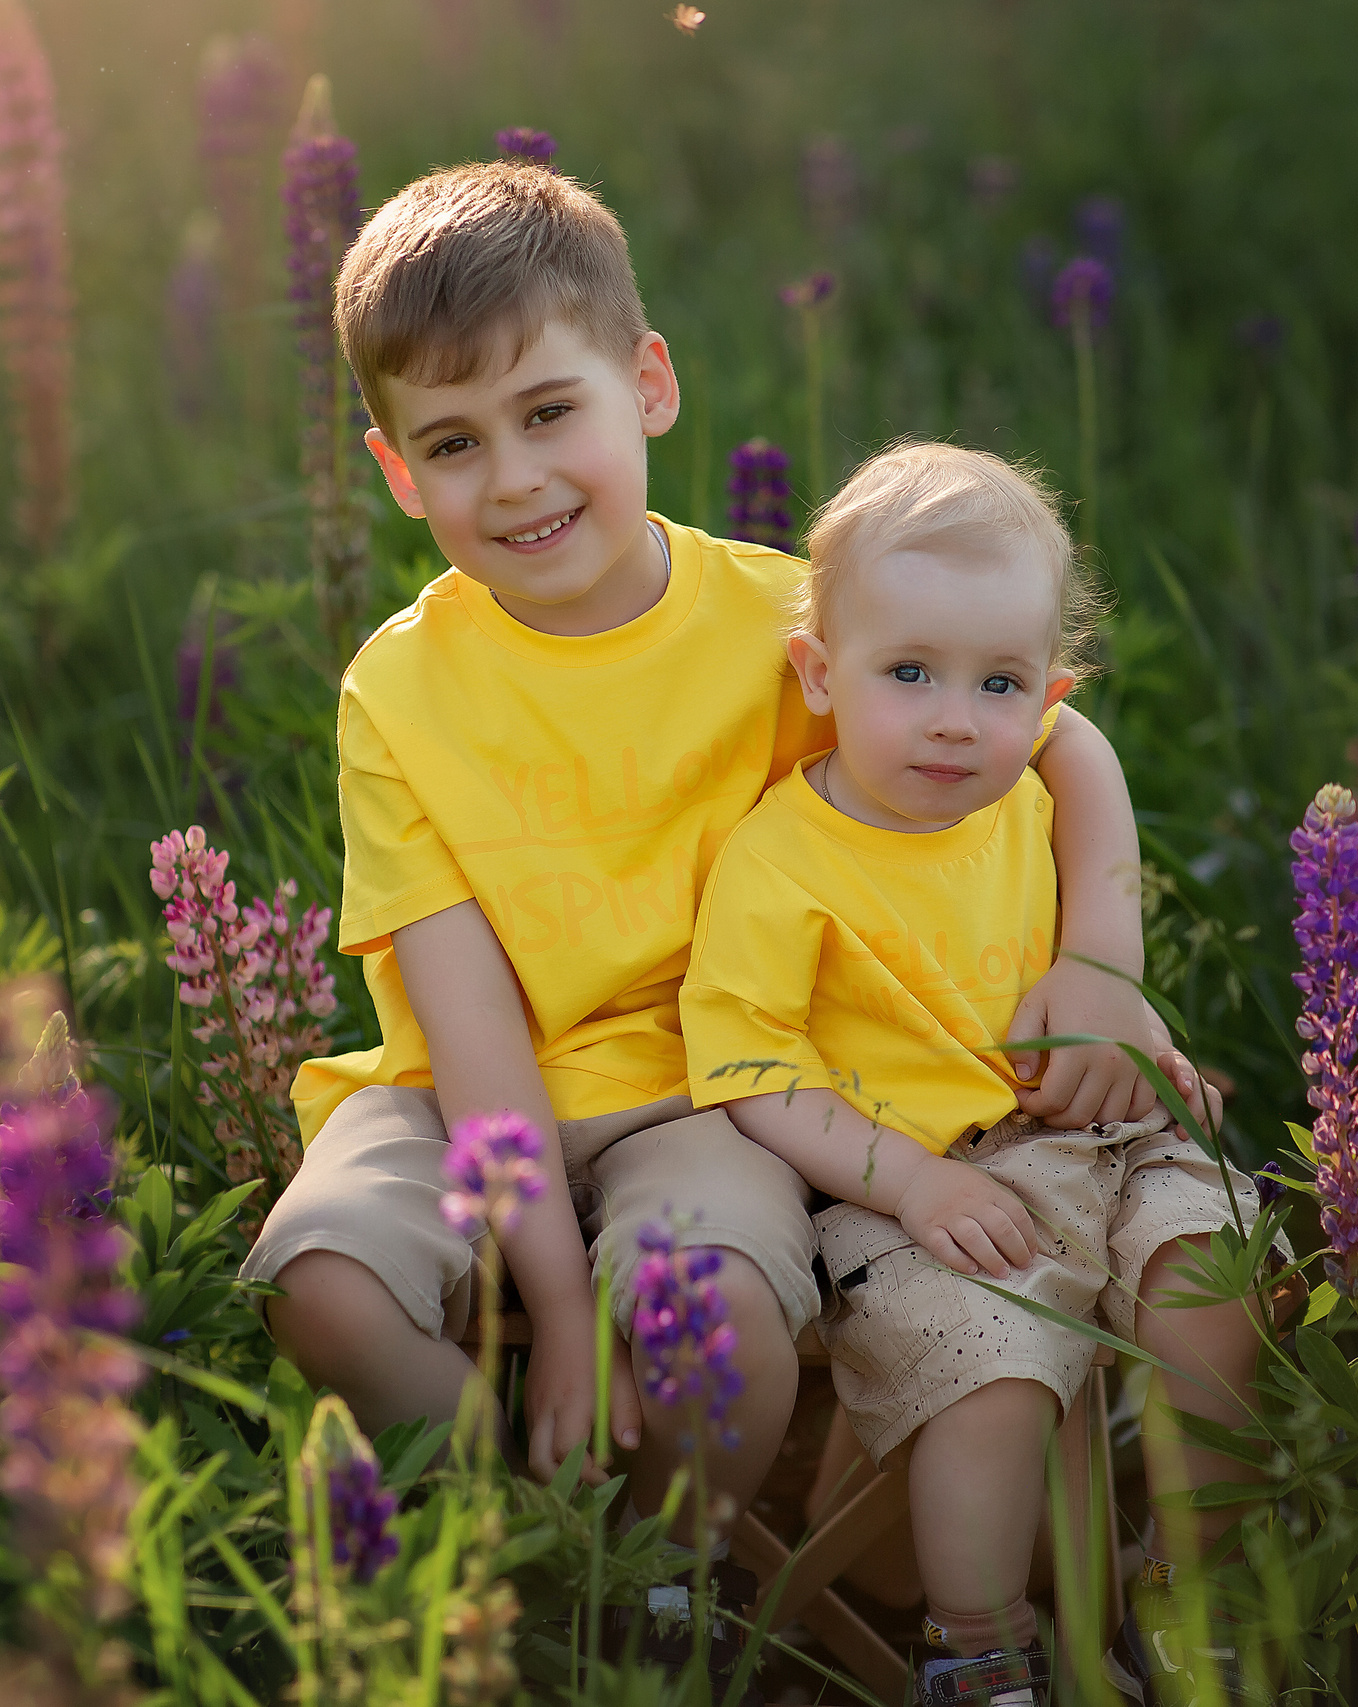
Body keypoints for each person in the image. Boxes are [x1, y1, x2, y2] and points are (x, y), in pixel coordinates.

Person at [240, 161, 1177, 1676]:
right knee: (322, 1283)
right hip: (460, 1091)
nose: (521, 478)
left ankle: (677, 1567)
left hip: (711, 1093)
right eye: (455, 444)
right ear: (397, 473)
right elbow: (466, 1012)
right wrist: (549, 1284)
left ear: (649, 384)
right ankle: (543, 1528)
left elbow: (1057, 734)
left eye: (554, 412)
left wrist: (1100, 955)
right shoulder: (399, 687)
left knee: (721, 1327)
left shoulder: (779, 620)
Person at [681, 441, 1284, 1707]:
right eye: (909, 674)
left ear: (1045, 690)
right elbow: (746, 1065)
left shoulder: (1026, 777)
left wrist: (1107, 974)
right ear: (818, 675)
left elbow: (1088, 758)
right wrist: (907, 1184)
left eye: (998, 682)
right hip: (915, 1182)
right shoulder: (779, 862)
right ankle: (981, 1649)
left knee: (1215, 1270)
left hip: (1101, 1133)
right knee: (991, 1365)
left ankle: (1189, 1585)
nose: (957, 717)